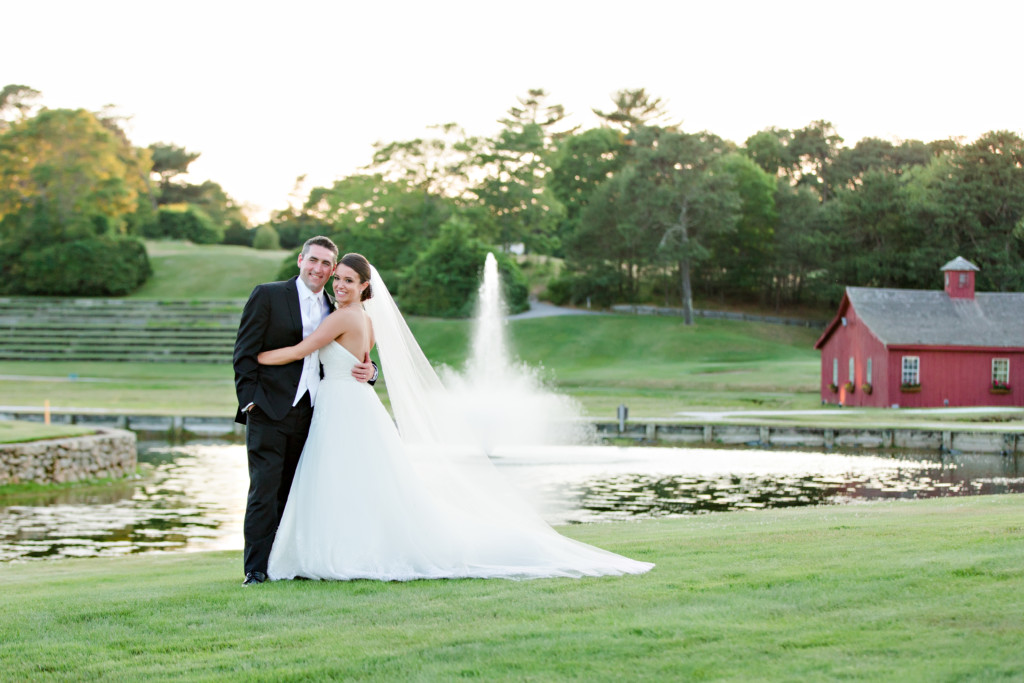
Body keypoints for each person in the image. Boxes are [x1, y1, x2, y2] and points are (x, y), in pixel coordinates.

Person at [258, 253, 654, 581]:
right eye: (337, 279)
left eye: (348, 280)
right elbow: (362, 363)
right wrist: (370, 372)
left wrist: (255, 358)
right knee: (360, 482)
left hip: (342, 406)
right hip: (353, 404)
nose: (339, 286)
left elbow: (301, 351)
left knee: (339, 479)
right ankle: (349, 546)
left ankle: (339, 551)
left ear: (365, 286)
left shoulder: (343, 316)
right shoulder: (367, 320)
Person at [233, 236, 376, 586]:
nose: (320, 269)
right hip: (268, 408)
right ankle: (256, 569)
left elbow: (356, 354)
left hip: (314, 413)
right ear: (300, 260)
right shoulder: (267, 295)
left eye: (327, 264)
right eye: (313, 260)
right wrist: (250, 400)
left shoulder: (337, 305)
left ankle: (288, 562)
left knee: (299, 491)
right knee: (264, 491)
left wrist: (371, 373)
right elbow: (244, 352)